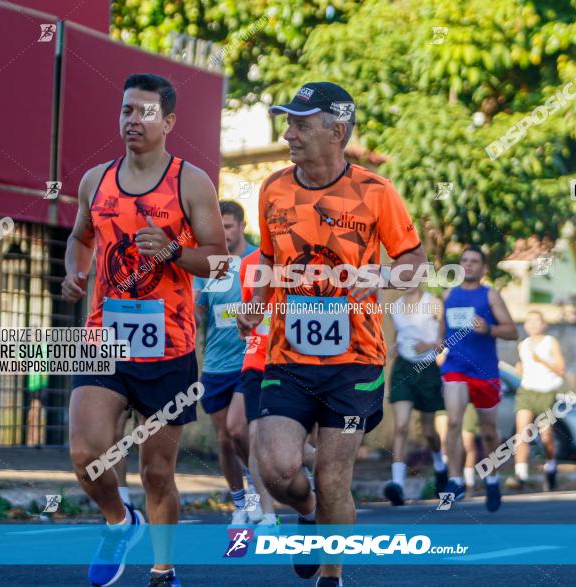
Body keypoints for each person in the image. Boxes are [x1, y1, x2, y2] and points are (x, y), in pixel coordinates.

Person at [237, 81, 428, 587]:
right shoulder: (273, 187)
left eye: (301, 125)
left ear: (336, 131)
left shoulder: (375, 192)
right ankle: (306, 513)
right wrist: (254, 307)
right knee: (278, 471)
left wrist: (382, 276)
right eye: (289, 123)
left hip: (355, 359)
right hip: (288, 355)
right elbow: (271, 260)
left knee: (333, 476)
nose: (289, 134)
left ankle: (331, 574)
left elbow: (416, 265)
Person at [62, 73, 227, 587]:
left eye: (145, 112)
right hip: (103, 340)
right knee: (86, 453)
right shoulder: (96, 180)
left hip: (169, 347)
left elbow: (220, 263)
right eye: (126, 110)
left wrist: (175, 251)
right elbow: (79, 236)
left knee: (157, 473)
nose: (133, 120)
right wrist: (76, 269)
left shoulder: (191, 182)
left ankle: (162, 569)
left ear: (169, 121)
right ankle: (118, 523)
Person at [193, 200, 259, 525]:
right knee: (225, 438)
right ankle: (239, 502)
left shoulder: (259, 260)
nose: (224, 232)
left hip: (251, 362)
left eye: (229, 226)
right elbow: (198, 312)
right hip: (215, 365)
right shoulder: (212, 265)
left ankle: (259, 494)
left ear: (242, 226)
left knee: (239, 429)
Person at [440, 246, 518, 511]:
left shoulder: (490, 295)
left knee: (488, 432)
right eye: (464, 261)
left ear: (483, 268)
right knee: (453, 421)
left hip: (484, 371)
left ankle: (493, 479)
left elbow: (512, 331)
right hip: (455, 367)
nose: (469, 265)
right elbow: (441, 335)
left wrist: (489, 328)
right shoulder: (448, 294)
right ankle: (454, 480)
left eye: (474, 261)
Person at [382, 285, 448, 506]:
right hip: (403, 368)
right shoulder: (396, 306)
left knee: (429, 431)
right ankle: (397, 485)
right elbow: (400, 334)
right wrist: (393, 347)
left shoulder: (434, 303)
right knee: (401, 426)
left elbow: (444, 343)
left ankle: (440, 466)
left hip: (427, 368)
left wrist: (429, 344)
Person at [238, 247, 280, 526]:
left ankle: (316, 475)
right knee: (254, 437)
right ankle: (268, 515)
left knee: (296, 443)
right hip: (256, 360)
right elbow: (247, 312)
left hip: (293, 362)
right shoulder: (248, 265)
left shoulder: (306, 260)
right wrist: (243, 322)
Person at [507, 310, 565, 491]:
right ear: (525, 325)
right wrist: (520, 370)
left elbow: (561, 368)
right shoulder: (523, 345)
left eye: (536, 321)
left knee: (546, 436)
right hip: (526, 392)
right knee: (521, 433)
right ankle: (521, 475)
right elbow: (524, 370)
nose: (532, 324)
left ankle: (551, 466)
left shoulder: (550, 342)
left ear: (544, 324)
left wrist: (541, 360)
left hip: (546, 392)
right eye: (529, 321)